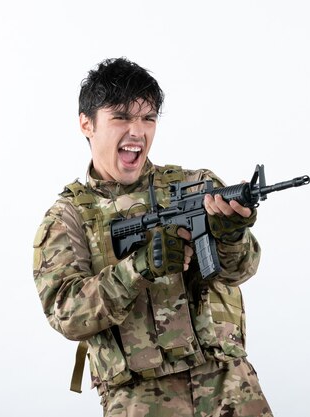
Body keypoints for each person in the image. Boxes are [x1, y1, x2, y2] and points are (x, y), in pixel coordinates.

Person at [33, 57, 273, 417]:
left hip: (228, 384)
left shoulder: (196, 185)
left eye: (147, 118)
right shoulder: (67, 218)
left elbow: (242, 270)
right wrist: (138, 268)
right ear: (87, 123)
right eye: (121, 117)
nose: (137, 131)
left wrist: (231, 235)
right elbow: (66, 313)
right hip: (139, 399)